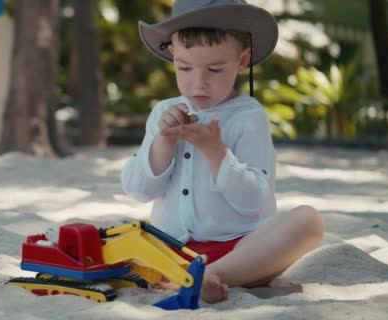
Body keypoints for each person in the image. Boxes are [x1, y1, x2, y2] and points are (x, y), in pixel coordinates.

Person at [121, 0, 324, 303]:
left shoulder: (248, 117)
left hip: (238, 252)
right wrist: (163, 141)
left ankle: (211, 275)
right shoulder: (164, 112)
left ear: (242, 61)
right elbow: (137, 190)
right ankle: (194, 277)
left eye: (215, 69)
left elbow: (255, 201)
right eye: (185, 68)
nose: (198, 83)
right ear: (172, 55)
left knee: (309, 221)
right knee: (89, 235)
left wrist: (215, 151)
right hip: (169, 249)